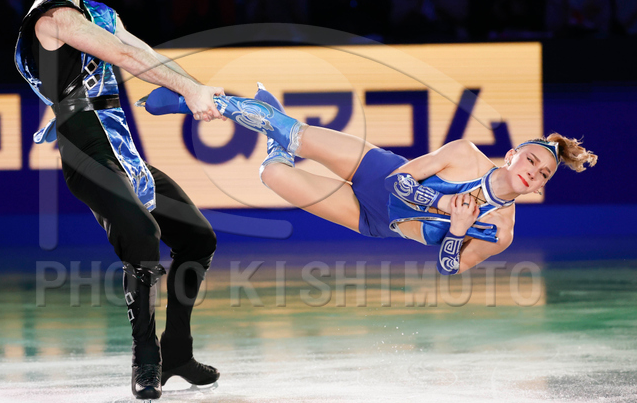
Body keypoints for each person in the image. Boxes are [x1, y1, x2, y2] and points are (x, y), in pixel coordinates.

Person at [14, 0, 224, 402]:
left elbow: (144, 52)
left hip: (123, 151)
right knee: (142, 235)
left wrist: (196, 89)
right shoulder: (52, 19)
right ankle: (146, 358)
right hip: (85, 151)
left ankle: (177, 352)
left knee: (198, 238)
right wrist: (191, 91)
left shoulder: (102, 13)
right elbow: (124, 56)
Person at [143, 84, 597, 275]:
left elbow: (450, 267)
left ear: (539, 186)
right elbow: (399, 182)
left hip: (375, 221)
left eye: (542, 173)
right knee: (294, 135)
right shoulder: (465, 153)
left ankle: (269, 116)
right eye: (532, 160)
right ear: (513, 154)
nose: (533, 171)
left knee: (273, 174)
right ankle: (196, 99)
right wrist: (444, 207)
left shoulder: (502, 231)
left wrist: (458, 232)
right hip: (375, 170)